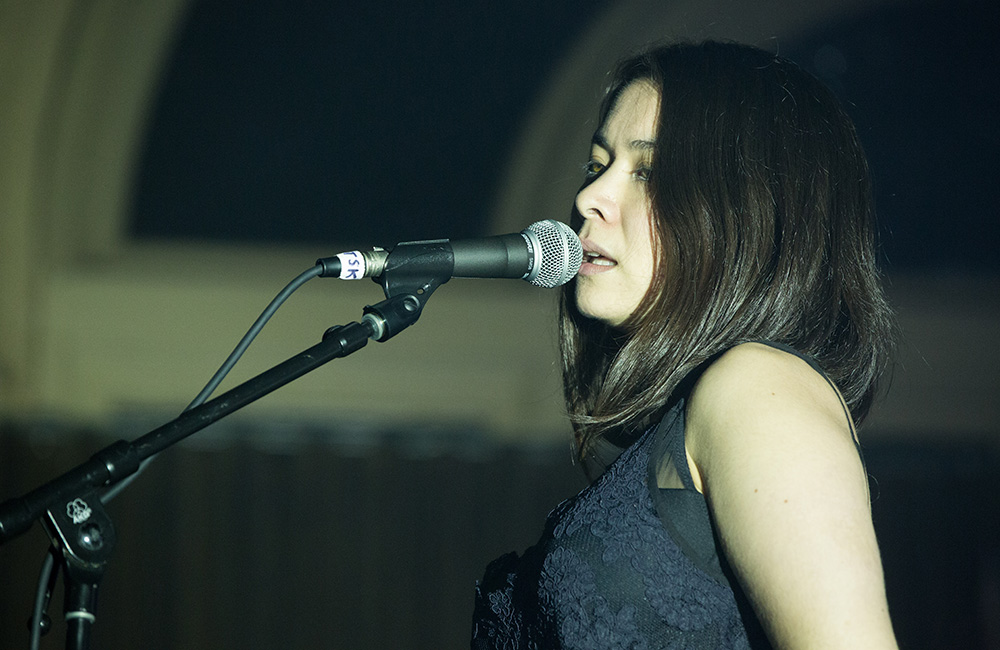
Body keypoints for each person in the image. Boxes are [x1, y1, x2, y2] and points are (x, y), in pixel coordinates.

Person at [471, 41, 899, 649]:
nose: (588, 198)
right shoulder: (685, 425)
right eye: (598, 166)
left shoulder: (758, 389)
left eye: (647, 172)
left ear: (748, 209)